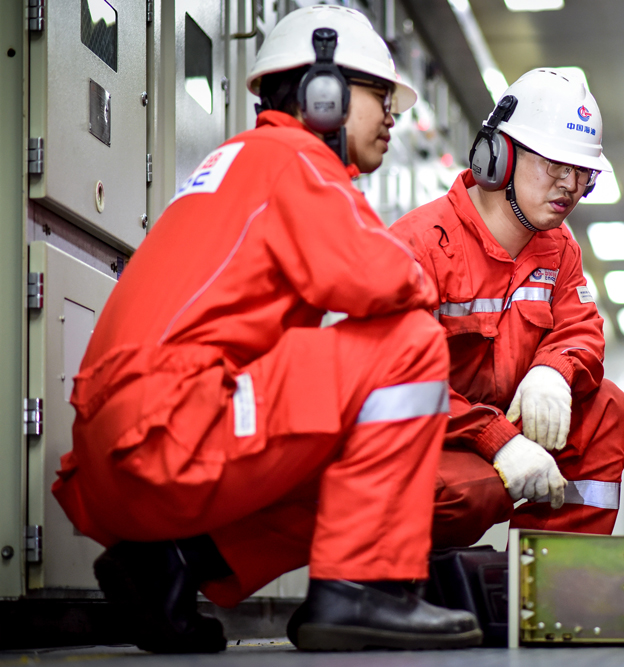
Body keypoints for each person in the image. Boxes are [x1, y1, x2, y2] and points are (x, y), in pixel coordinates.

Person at [51, 6, 481, 653]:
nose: (393, 118)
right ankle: (361, 587)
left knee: (349, 449)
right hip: (173, 437)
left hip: (119, 460)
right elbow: (390, 278)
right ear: (324, 92)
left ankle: (170, 564)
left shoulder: (242, 161)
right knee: (409, 340)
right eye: (380, 97)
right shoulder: (296, 160)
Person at [390, 69, 624, 547]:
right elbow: (401, 381)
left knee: (607, 407)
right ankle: (401, 589)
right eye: (554, 165)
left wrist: (554, 372)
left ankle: (550, 587)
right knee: (464, 490)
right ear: (498, 155)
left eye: (582, 172)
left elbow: (581, 329)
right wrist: (497, 440)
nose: (570, 184)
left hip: (501, 421)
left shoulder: (558, 247)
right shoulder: (420, 245)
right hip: (433, 436)